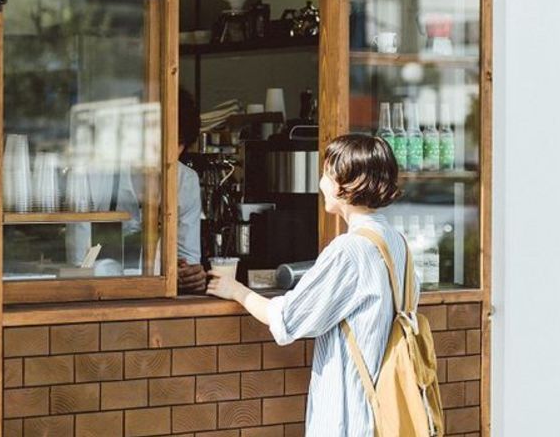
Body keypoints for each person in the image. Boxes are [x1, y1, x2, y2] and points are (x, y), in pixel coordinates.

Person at [207, 134, 417, 437]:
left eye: (327, 173)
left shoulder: (349, 250)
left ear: (348, 182)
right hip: (388, 408)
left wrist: (236, 290)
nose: (321, 184)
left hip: (353, 413)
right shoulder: (397, 243)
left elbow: (288, 318)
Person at [176, 89, 207, 293]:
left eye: (178, 141)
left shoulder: (185, 180)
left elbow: (186, 258)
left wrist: (192, 276)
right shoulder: (105, 177)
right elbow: (80, 264)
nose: (168, 149)